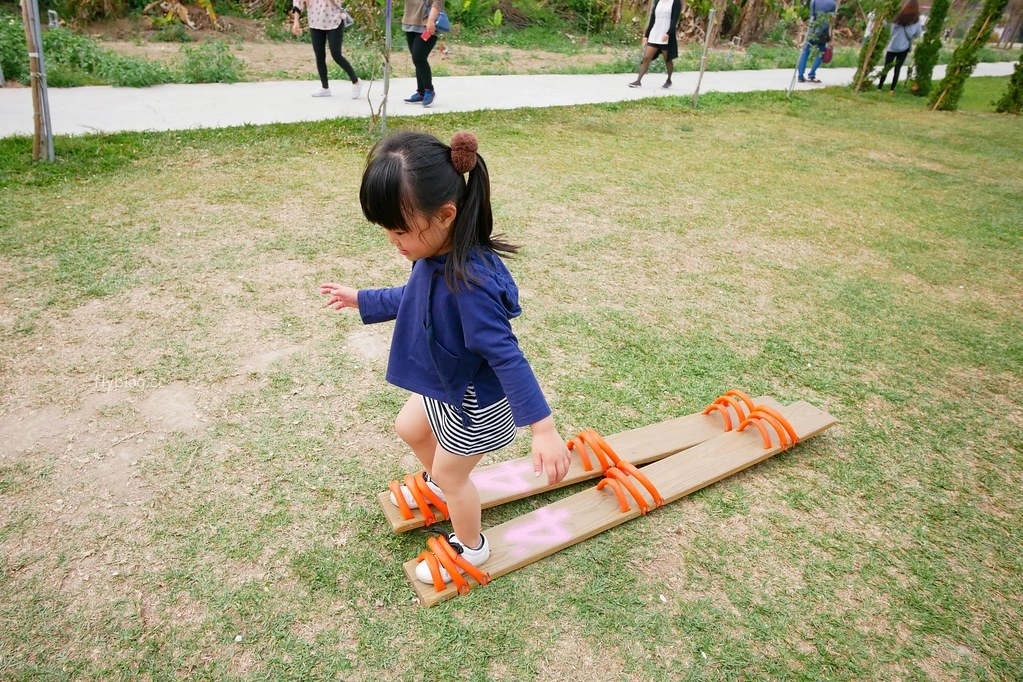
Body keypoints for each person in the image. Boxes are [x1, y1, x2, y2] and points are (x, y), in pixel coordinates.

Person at [320, 131, 571, 585]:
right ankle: (440, 481)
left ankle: (472, 547)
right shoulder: (437, 255)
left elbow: (507, 357)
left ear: (446, 215)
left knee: (456, 477)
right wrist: (362, 299)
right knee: (408, 427)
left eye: (398, 230)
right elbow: (413, 295)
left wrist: (545, 430)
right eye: (385, 230)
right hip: (446, 387)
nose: (391, 240)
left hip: (474, 407)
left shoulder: (470, 284)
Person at [290, 0, 363, 99]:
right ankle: (325, 88)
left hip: (334, 20)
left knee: (336, 54)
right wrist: (296, 22)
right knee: (319, 56)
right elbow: (298, 3)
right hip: (315, 21)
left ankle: (356, 82)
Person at [629, 0, 681, 89]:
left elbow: (674, 20)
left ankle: (669, 80)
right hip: (655, 34)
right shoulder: (658, 2)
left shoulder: (675, 2)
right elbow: (653, 19)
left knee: (667, 60)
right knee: (646, 57)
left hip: (666, 36)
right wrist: (646, 35)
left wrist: (668, 33)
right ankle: (638, 81)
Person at [402, 0, 445, 107]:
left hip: (427, 25)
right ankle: (421, 92)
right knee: (417, 60)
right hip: (410, 23)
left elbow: (438, 2)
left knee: (418, 57)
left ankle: (429, 90)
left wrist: (430, 20)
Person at [877, 0, 923, 94]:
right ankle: (892, 90)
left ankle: (879, 88)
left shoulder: (898, 17)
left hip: (893, 46)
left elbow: (889, 29)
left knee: (886, 67)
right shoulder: (916, 20)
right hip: (904, 47)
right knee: (897, 69)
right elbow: (918, 34)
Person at [797, 0, 836, 84]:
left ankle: (800, 76)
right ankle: (811, 75)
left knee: (805, 52)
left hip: (811, 31)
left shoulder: (813, 1)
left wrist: (811, 32)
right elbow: (830, 21)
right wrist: (830, 37)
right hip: (822, 33)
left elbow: (812, 16)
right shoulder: (832, 3)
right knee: (820, 53)